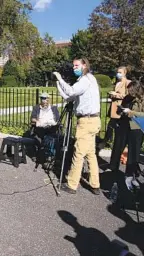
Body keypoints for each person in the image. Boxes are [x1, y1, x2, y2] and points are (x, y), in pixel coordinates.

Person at [53, 57, 101, 195]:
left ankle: (72, 184)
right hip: (93, 121)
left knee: (78, 153)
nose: (74, 68)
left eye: (77, 65)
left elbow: (71, 92)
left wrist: (61, 79)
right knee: (90, 154)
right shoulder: (88, 80)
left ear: (84, 65)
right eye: (73, 66)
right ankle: (95, 184)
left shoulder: (86, 80)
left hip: (86, 122)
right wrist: (59, 86)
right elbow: (70, 98)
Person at [112, 81, 144, 189]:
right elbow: (120, 109)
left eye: (131, 90)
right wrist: (120, 110)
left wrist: (131, 112)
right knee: (118, 147)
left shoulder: (142, 100)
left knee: (133, 152)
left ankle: (130, 174)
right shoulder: (127, 98)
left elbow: (142, 114)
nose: (129, 92)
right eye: (128, 90)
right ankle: (114, 169)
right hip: (124, 125)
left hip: (136, 127)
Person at [102, 66, 131, 147]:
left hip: (120, 109)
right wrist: (111, 95)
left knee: (118, 127)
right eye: (117, 72)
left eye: (120, 72)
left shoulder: (127, 82)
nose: (118, 74)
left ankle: (116, 144)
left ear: (125, 73)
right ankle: (107, 141)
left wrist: (116, 94)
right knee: (110, 126)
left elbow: (128, 96)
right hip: (113, 108)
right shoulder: (117, 82)